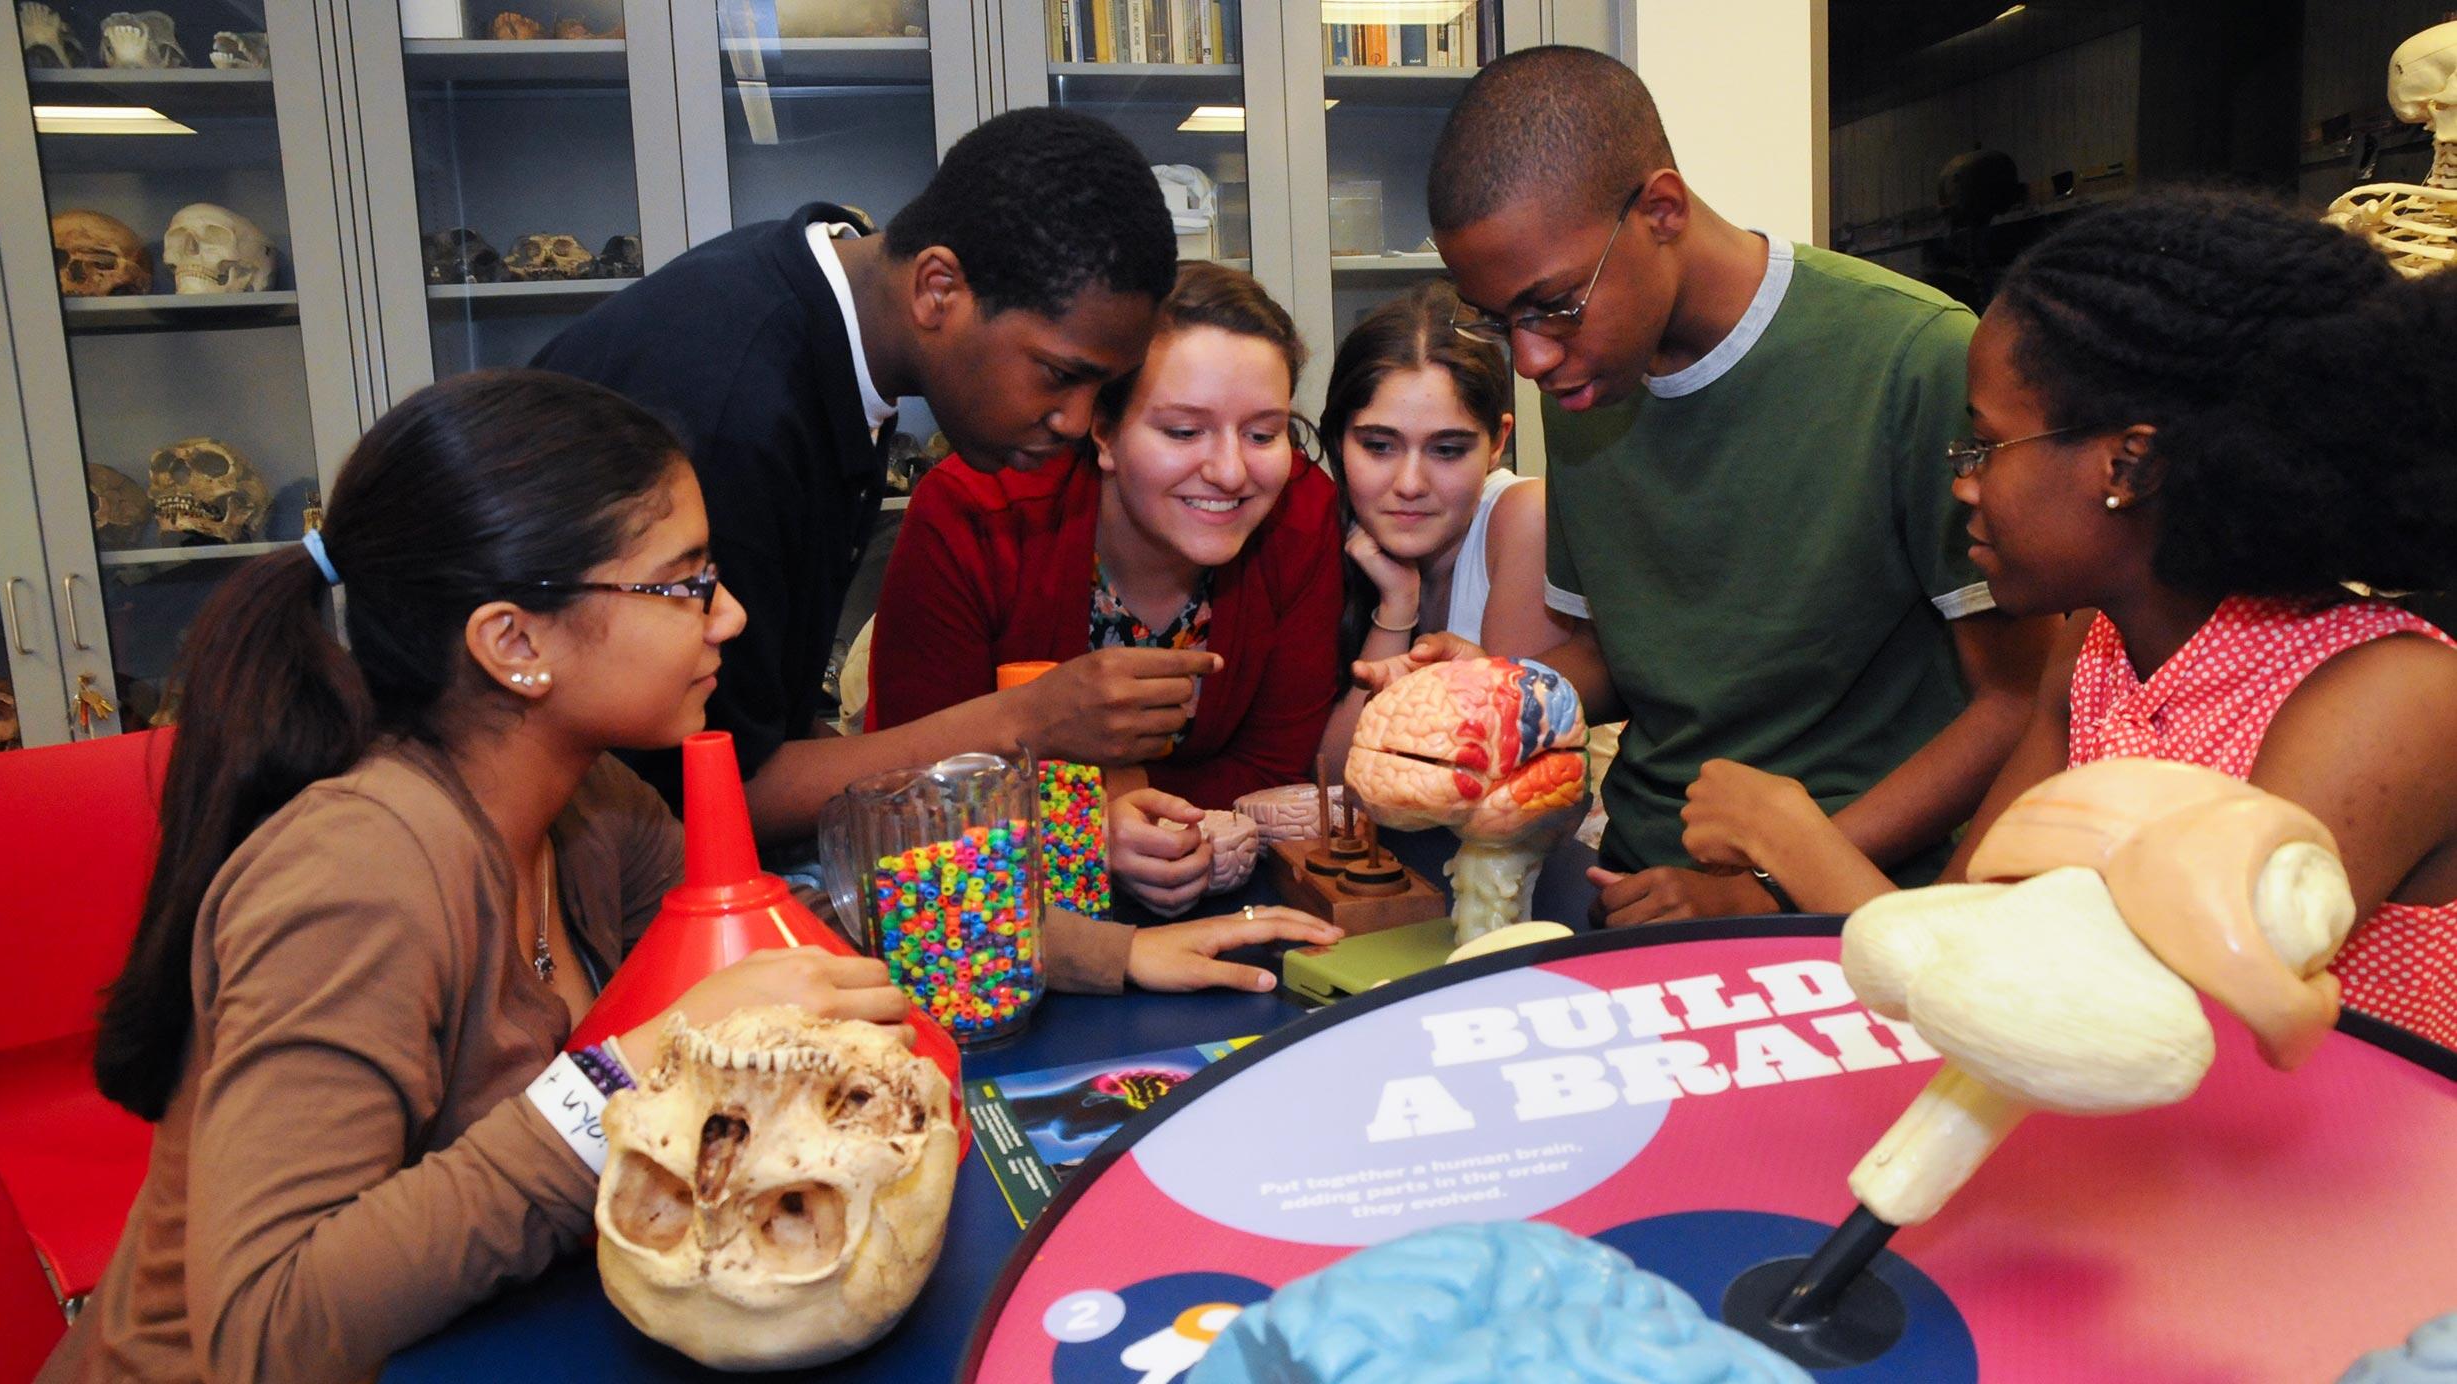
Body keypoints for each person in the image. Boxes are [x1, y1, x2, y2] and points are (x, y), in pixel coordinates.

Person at [39, 372, 1336, 1383]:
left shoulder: (587, 803)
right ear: (515, 643)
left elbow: (820, 929)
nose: (729, 618)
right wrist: (628, 1073)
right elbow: (267, 1329)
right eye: (684, 585)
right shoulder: (360, 872)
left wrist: (1105, 953)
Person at [1675, 189, 2457, 1049]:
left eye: (1986, 444)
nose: (1964, 483)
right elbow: (1972, 932)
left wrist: (1792, 838)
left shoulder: (2393, 697)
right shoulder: (2097, 646)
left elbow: (2130, 1039)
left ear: (2131, 462)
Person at [1368, 46, 2053, 925]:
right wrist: (1503, 694)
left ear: (1662, 209)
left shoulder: (1912, 360)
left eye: (1552, 306)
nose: (1530, 358)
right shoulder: (1584, 375)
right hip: (1636, 880)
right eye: (1499, 321)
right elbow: (1632, 652)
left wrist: (1771, 879)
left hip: (1856, 902)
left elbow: (2017, 703)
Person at [533, 108, 1216, 858]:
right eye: (1059, 375)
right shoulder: (738, 414)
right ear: (937, 290)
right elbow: (707, 791)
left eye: (1102, 390)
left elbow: (772, 726)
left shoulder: (829, 325)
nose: (1075, 420)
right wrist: (1025, 721)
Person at [866, 263, 1343, 914]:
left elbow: (1275, 767)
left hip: (1227, 903)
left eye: (1264, 433)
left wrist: (1113, 803)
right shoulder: (973, 516)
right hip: (985, 923)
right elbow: (906, 791)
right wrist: (1078, 833)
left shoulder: (1301, 510)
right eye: (1182, 431)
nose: (1232, 471)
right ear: (1103, 431)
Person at [1314, 281, 1574, 781]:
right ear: (1339, 440)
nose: (1409, 485)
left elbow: (1498, 777)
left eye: (1447, 450)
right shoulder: (1332, 527)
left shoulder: (1523, 517)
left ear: (1498, 441)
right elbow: (1335, 782)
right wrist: (1397, 607)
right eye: (1378, 446)